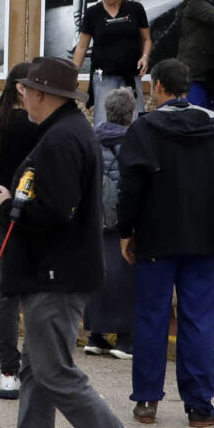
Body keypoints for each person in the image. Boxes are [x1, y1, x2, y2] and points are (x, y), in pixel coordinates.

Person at [0, 58, 155, 428]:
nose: (23, 98)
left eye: (26, 92)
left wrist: (6, 205)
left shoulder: (61, 138)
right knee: (37, 372)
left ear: (41, 95)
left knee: (55, 372)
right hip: (57, 271)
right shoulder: (68, 130)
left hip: (55, 275)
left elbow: (56, 212)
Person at [116, 58, 214, 426]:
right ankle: (199, 406)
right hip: (206, 239)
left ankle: (147, 400)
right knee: (198, 319)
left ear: (159, 86)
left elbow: (130, 185)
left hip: (156, 238)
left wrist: (126, 230)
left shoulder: (145, 128)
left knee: (152, 319)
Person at [0, 67, 37, 397]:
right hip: (26, 212)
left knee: (7, 294)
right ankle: (30, 366)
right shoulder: (30, 125)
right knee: (33, 293)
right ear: (20, 88)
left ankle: (7, 370)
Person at [85, 86, 139, 357]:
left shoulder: (92, 139)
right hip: (122, 219)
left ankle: (95, 335)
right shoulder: (134, 141)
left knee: (98, 272)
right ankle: (125, 338)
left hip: (96, 217)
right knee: (125, 275)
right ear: (131, 113)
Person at [69, 0, 150, 115]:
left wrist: (145, 57)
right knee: (103, 120)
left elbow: (146, 39)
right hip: (102, 73)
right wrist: (71, 75)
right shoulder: (93, 12)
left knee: (135, 119)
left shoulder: (135, 9)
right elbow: (81, 47)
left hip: (131, 74)